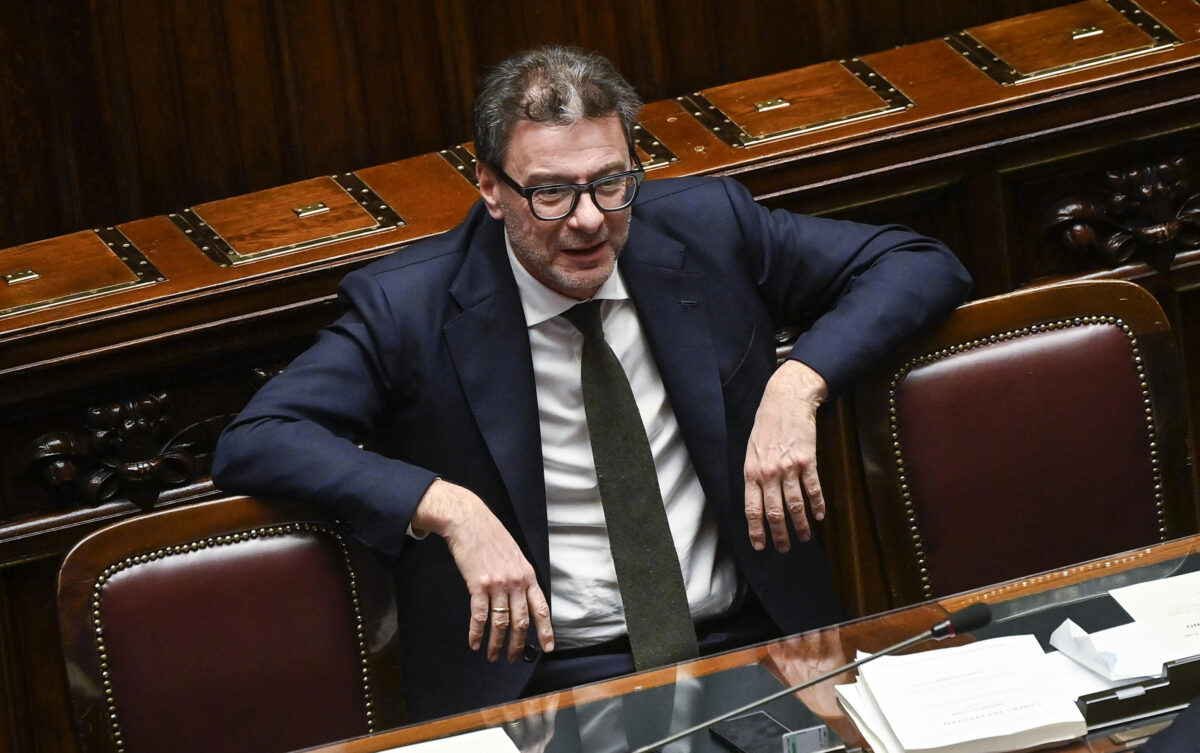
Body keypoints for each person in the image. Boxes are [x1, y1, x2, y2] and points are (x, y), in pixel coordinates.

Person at [212, 45, 972, 721]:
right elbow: (259, 438)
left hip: (760, 648)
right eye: (550, 193)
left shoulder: (706, 228)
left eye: (610, 182)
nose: (588, 220)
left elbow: (917, 263)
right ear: (490, 187)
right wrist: (448, 508)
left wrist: (798, 381)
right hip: (545, 684)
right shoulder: (409, 307)